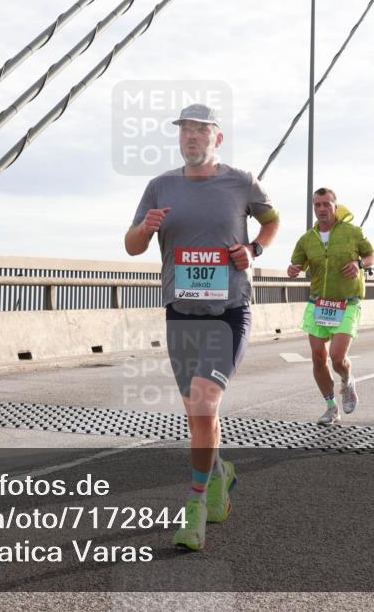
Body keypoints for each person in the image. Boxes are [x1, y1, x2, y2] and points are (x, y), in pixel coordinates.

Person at [125, 103, 279, 551]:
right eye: (185, 131)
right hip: (181, 312)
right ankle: (219, 473)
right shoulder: (160, 186)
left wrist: (254, 249)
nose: (191, 137)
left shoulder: (241, 182)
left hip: (229, 310)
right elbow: (133, 245)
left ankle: (193, 506)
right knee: (197, 413)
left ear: (218, 138)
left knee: (205, 401)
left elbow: (272, 220)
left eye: (200, 131)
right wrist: (146, 227)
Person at [287, 188, 374, 426]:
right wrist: (293, 270)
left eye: (327, 204)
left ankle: (347, 382)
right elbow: (296, 264)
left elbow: (371, 256)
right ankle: (330, 407)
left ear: (335, 206)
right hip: (319, 303)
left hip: (347, 303)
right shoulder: (307, 239)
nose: (322, 209)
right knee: (318, 358)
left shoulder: (353, 232)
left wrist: (359, 264)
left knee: (337, 358)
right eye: (317, 205)